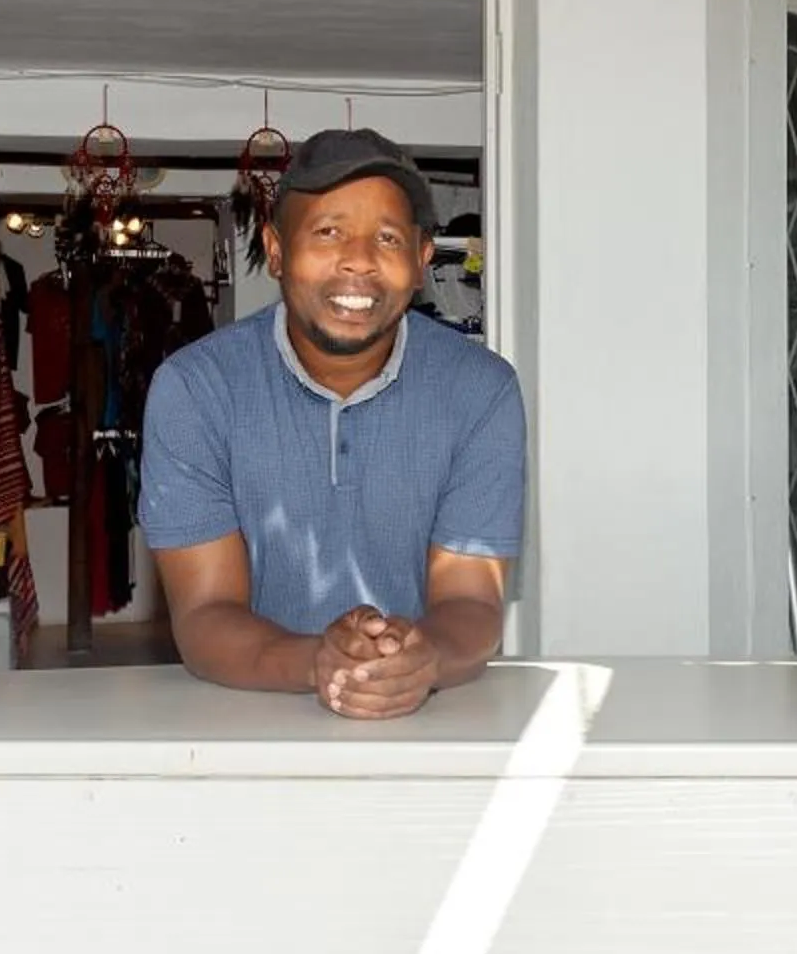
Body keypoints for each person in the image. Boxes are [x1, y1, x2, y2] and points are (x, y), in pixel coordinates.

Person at [139, 128, 523, 718]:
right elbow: (205, 615)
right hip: (244, 716)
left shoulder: (481, 390)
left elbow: (473, 600)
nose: (359, 260)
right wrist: (321, 661)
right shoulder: (195, 389)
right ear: (275, 249)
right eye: (328, 232)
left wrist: (422, 659)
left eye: (388, 238)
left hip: (432, 722)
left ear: (421, 260)